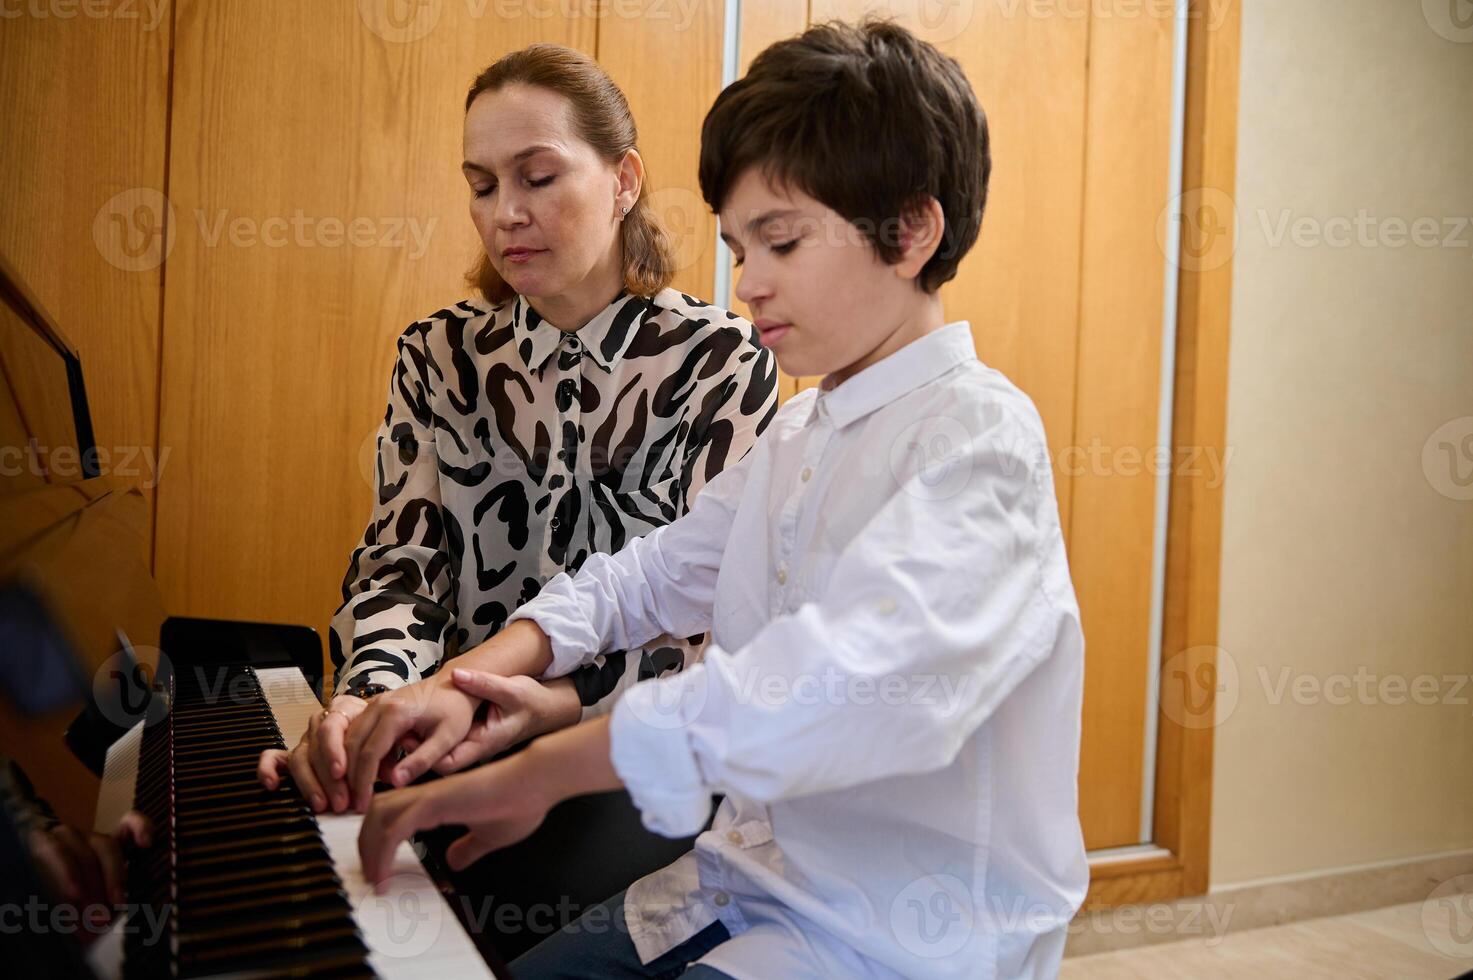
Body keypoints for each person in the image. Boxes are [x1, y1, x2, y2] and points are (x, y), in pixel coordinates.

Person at [358, 19, 1089, 978]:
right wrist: (462, 690)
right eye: (737, 248)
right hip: (728, 888)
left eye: (778, 243)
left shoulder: (977, 440)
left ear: (909, 232)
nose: (746, 285)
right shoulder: (802, 432)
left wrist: (541, 773)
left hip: (889, 940)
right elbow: (638, 581)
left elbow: (823, 685)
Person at [256, 44, 778, 814]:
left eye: (538, 178)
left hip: (626, 758)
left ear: (623, 181)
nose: (504, 213)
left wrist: (562, 699)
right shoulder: (437, 355)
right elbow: (403, 564)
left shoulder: (720, 361)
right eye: (481, 186)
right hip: (448, 737)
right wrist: (370, 701)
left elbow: (711, 620)